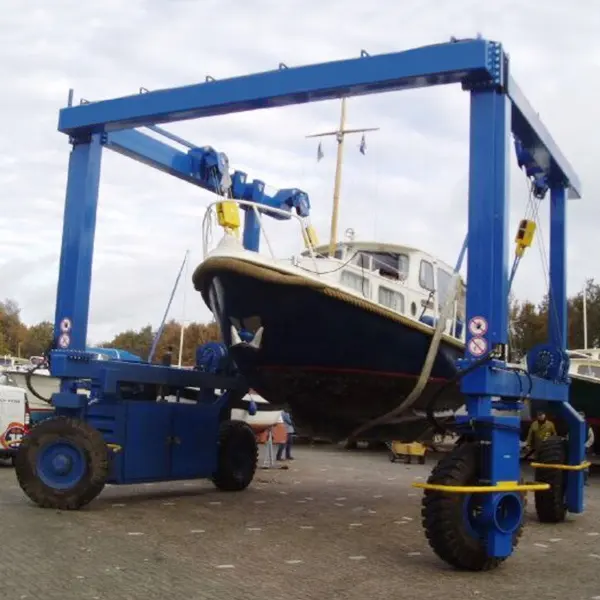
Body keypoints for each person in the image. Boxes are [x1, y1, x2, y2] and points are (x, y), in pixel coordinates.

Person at [580, 411, 595, 486]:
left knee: (585, 466)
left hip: (583, 450)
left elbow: (591, 438)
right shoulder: (573, 425)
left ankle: (584, 481)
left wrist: (585, 446)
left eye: (581, 416)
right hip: (574, 449)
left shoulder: (587, 426)